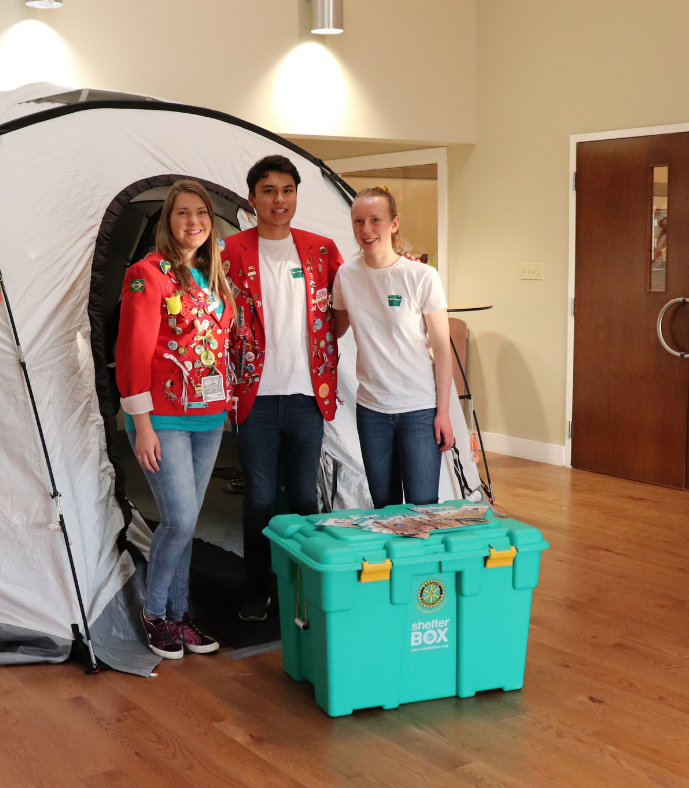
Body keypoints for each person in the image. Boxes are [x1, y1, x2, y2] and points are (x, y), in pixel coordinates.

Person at [117, 180, 236, 659]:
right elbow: (132, 353)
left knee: (186, 523)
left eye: (202, 213)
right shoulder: (147, 274)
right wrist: (141, 423)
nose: (194, 222)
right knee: (180, 519)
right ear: (168, 221)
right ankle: (155, 614)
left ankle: (180, 613)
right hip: (161, 416)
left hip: (207, 417)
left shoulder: (213, 275)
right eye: (183, 214)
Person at [223, 155, 344, 622]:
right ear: (252, 197)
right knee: (257, 497)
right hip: (254, 396)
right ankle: (258, 587)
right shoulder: (229, 250)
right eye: (269, 191)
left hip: (307, 396)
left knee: (303, 497)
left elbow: (340, 313)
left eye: (288, 190)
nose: (279, 199)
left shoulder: (320, 249)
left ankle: (302, 585)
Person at [332, 186, 454, 510]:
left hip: (419, 409)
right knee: (385, 509)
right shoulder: (345, 275)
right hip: (371, 411)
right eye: (358, 221)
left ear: (394, 223)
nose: (367, 230)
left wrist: (443, 412)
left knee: (422, 507)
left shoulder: (422, 276)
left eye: (376, 220)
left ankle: (424, 564)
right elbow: (332, 329)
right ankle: (392, 563)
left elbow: (443, 348)